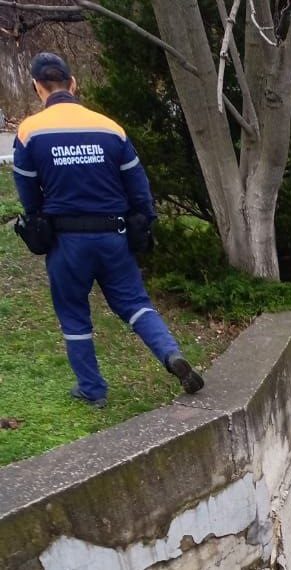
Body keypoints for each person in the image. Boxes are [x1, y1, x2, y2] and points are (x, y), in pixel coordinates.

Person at [11, 53, 204, 408]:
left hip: (66, 242)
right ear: (73, 84)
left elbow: (27, 191)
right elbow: (138, 184)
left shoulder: (28, 131)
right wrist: (145, 222)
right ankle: (171, 354)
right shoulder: (109, 127)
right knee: (135, 304)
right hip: (113, 235)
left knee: (73, 313)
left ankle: (92, 389)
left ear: (39, 88)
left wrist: (38, 220)